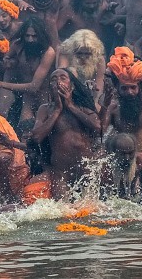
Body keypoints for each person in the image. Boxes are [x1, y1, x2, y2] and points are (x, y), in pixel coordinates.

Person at [31, 68, 101, 199]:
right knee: (62, 214)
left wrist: (70, 106)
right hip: (60, 173)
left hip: (86, 171)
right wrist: (57, 110)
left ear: (72, 86)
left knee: (91, 213)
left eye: (63, 78)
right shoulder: (45, 110)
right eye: (53, 79)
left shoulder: (83, 107)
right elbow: (36, 137)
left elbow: (97, 127)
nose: (58, 82)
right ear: (50, 87)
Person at [0, 17, 56, 121]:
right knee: (1, 118)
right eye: (27, 35)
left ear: (41, 35)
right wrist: (9, 62)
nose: (30, 40)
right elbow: (6, 58)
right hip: (25, 94)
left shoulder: (48, 53)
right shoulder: (18, 45)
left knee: (33, 128)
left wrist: (0, 84)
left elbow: (34, 87)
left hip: (42, 95)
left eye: (34, 36)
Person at [57, 29, 106, 102]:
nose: (83, 57)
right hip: (68, 93)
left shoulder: (99, 59)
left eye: (87, 54)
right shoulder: (65, 53)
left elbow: (99, 86)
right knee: (71, 71)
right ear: (73, 51)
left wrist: (95, 102)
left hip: (89, 94)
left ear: (94, 52)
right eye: (79, 53)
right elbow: (61, 75)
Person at [103, 133, 142, 200]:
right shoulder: (104, 165)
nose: (127, 158)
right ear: (113, 152)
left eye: (130, 153)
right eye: (122, 154)